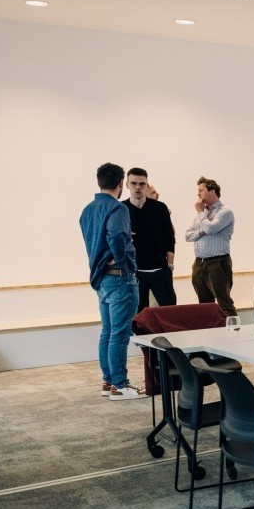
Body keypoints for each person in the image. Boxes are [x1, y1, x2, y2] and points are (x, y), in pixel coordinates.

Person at [78, 162, 140, 400]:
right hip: (119, 279)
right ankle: (120, 385)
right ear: (121, 183)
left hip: (101, 279)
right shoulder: (118, 209)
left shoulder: (87, 210)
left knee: (108, 331)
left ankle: (108, 382)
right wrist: (121, 257)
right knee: (119, 334)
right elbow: (116, 235)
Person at [123, 167, 176, 311]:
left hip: (160, 271)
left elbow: (169, 238)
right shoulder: (121, 209)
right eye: (133, 183)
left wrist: (169, 265)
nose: (138, 187)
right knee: (139, 317)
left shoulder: (160, 208)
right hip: (135, 273)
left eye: (142, 184)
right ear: (127, 184)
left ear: (147, 185)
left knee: (170, 313)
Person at [185, 176, 236, 317]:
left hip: (217, 263)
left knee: (224, 303)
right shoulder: (202, 214)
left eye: (200, 190)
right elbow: (188, 236)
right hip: (199, 263)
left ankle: (234, 334)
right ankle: (211, 335)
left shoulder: (225, 212)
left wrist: (201, 213)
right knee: (204, 305)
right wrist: (202, 230)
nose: (198, 194)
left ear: (212, 191)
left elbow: (211, 229)